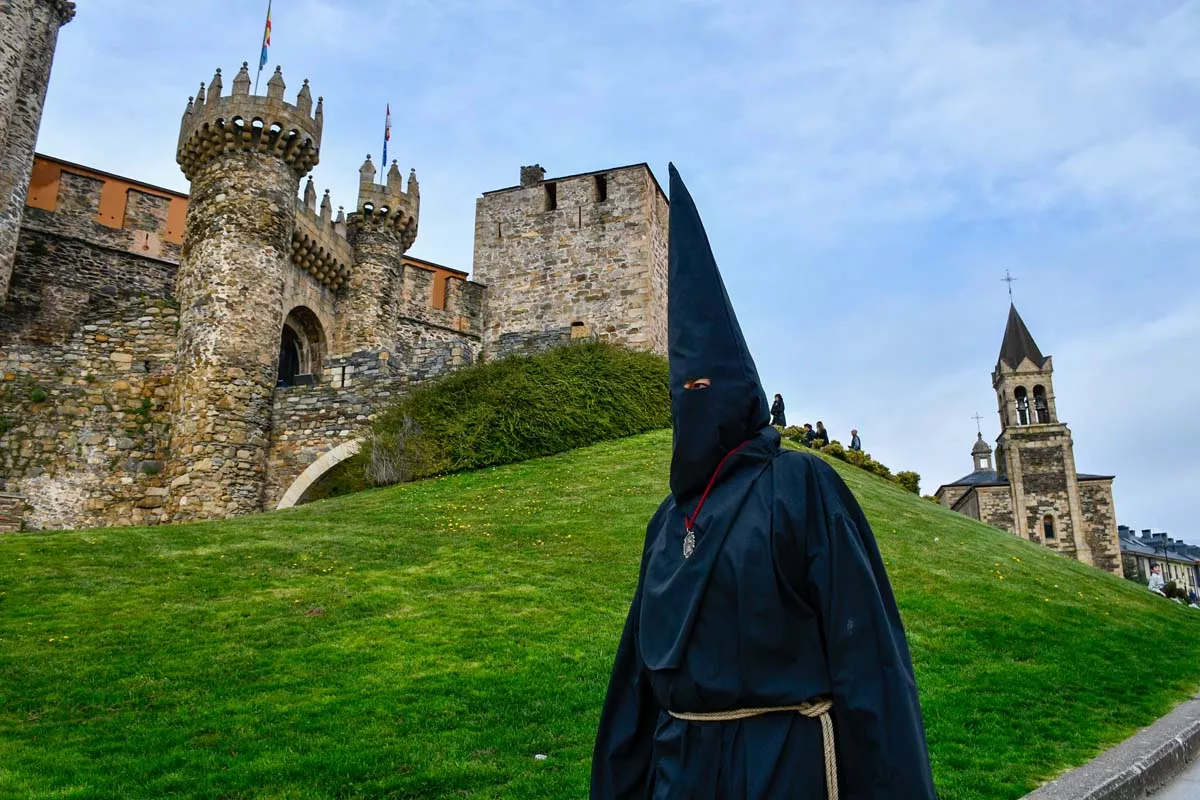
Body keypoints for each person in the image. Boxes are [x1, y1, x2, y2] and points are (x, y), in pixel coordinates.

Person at [590, 164, 937, 799]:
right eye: (684, 393)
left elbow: (872, 669)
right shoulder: (669, 524)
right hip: (681, 773)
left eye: (708, 387)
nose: (697, 402)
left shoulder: (801, 486)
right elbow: (633, 693)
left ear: (744, 393)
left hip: (782, 769)